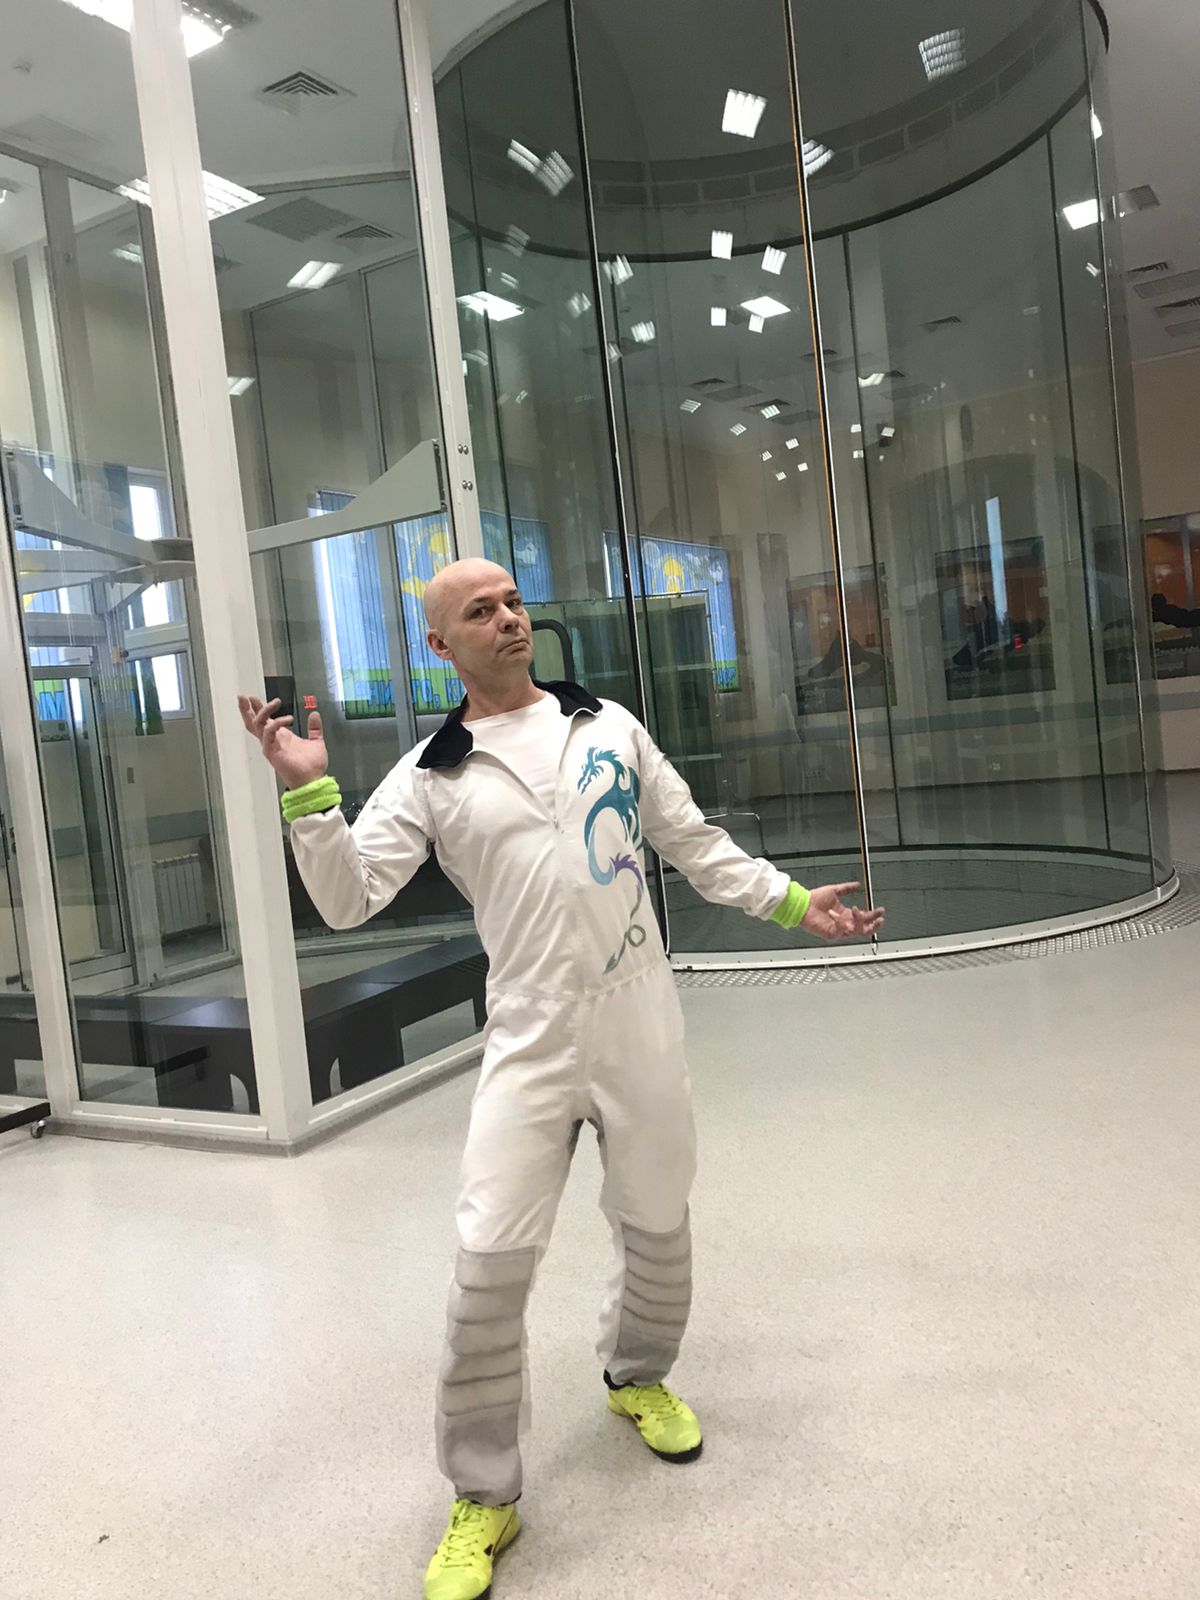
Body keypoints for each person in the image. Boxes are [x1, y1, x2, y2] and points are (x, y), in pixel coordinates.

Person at [239, 558, 885, 1600]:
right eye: (479, 611)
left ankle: (639, 1376)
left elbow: (692, 841)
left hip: (638, 1014)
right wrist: (310, 793)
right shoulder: (433, 773)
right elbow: (349, 898)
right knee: (488, 1256)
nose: (508, 618)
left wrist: (792, 902)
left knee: (658, 1218)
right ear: (439, 646)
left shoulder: (607, 725)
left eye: (512, 601)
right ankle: (484, 1493)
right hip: (529, 1034)